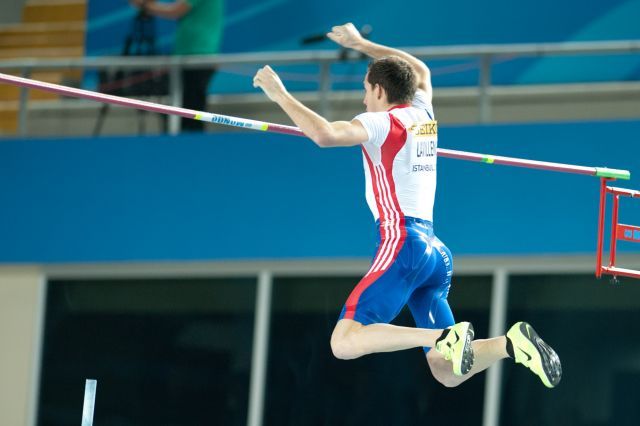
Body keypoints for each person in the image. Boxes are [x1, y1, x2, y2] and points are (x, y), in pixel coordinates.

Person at [253, 23, 562, 388]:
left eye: (366, 90)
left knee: (344, 342)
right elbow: (421, 71)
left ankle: (440, 337)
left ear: (380, 90)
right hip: (434, 253)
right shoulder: (422, 112)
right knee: (447, 372)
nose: (363, 100)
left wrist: (279, 94)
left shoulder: (381, 122)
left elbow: (324, 134)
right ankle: (511, 344)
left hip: (402, 244)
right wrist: (361, 44)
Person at [130, 0, 223, 132]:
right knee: (185, 110)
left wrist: (145, 5)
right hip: (190, 56)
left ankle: (190, 145)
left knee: (191, 113)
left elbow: (176, 10)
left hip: (196, 56)